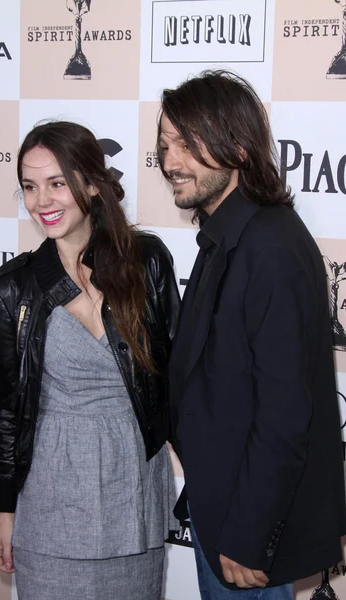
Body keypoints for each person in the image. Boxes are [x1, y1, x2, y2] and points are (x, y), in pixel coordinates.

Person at [157, 70, 346, 600]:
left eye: (188, 144)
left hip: (245, 531)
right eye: (166, 144)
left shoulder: (271, 248)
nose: (170, 162)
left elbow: (285, 414)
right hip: (221, 508)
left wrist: (248, 536)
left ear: (237, 147)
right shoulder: (230, 236)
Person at [0, 121, 180, 600]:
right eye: (30, 187)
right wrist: (5, 514)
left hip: (134, 494)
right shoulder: (11, 289)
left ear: (91, 183)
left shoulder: (146, 260)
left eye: (57, 183)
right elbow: (9, 413)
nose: (42, 201)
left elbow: (179, 377)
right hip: (51, 500)